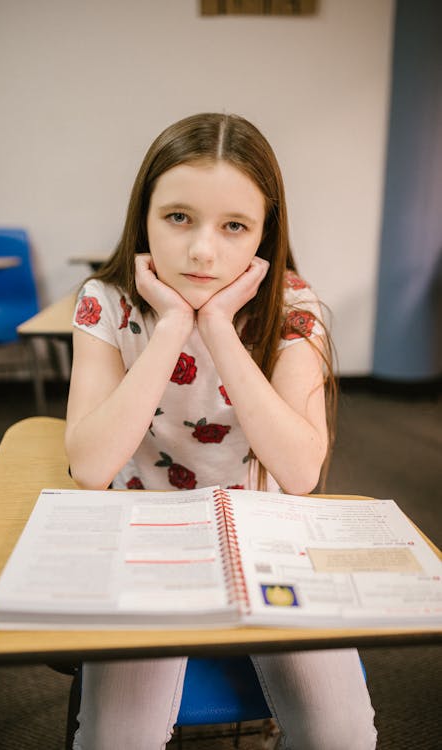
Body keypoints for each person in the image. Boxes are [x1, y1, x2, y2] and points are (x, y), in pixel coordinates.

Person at [65, 112, 377, 750]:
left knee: (341, 734)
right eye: (178, 217)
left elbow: (298, 473)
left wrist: (220, 331)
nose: (203, 250)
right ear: (144, 218)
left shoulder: (294, 307)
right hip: (144, 532)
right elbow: (90, 467)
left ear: (264, 235)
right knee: (115, 740)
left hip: (265, 534)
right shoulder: (106, 301)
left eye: (234, 226)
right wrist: (174, 325)